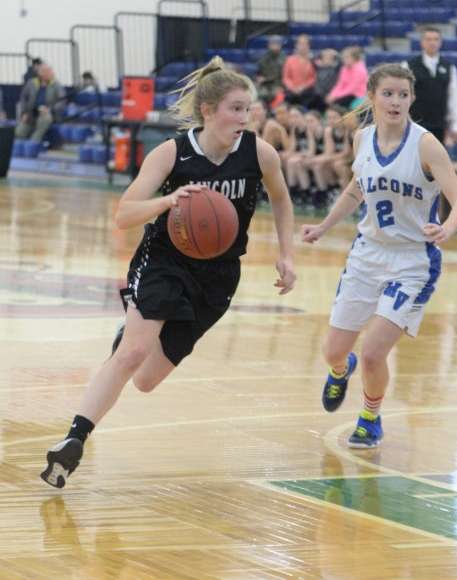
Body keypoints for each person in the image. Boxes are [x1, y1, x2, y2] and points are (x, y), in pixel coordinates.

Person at [40, 56, 297, 488]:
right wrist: (166, 201)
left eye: (248, 108)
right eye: (235, 108)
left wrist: (287, 255)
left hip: (218, 275)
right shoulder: (172, 152)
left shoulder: (260, 153)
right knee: (133, 355)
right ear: (208, 111)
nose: (245, 117)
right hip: (165, 259)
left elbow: (283, 201)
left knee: (145, 380)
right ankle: (73, 441)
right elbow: (123, 216)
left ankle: (131, 336)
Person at [301, 63, 457, 448]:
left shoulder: (426, 144)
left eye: (403, 95)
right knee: (333, 352)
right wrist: (324, 227)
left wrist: (448, 227)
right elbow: (354, 192)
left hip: (412, 261)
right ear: (372, 97)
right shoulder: (362, 139)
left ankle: (370, 417)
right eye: (389, 94)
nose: (396, 101)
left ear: (411, 99)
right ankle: (342, 369)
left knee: (375, 353)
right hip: (366, 255)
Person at [405, 27, 457, 146]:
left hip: (439, 123)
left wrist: (456, 124)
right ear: (422, 42)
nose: (432, 42)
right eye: (428, 39)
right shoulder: (409, 65)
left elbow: (454, 97)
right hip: (415, 123)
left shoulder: (448, 67)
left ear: (440, 42)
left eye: (435, 39)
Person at [15, 63, 66, 141]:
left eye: (49, 71)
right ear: (40, 73)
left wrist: (51, 109)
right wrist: (24, 112)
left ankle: (34, 142)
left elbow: (62, 101)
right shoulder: (32, 83)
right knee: (18, 133)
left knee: (46, 119)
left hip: (47, 114)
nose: (48, 73)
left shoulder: (56, 85)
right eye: (45, 71)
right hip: (31, 114)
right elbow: (23, 98)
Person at [282, 34, 318, 109]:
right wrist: (293, 88)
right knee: (288, 96)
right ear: (296, 45)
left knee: (313, 95)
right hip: (292, 90)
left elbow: (315, 77)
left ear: (309, 46)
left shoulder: (314, 60)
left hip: (307, 90)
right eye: (301, 44)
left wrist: (303, 87)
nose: (303, 46)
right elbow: (286, 77)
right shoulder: (290, 59)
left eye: (306, 44)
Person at [254, 35, 285, 107]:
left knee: (277, 93)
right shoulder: (263, 59)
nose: (274, 47)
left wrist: (282, 86)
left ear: (280, 45)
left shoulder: (284, 59)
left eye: (276, 44)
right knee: (262, 94)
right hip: (265, 85)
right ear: (269, 45)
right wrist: (258, 78)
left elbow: (283, 75)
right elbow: (256, 73)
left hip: (278, 84)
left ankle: (273, 112)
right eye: (272, 44)